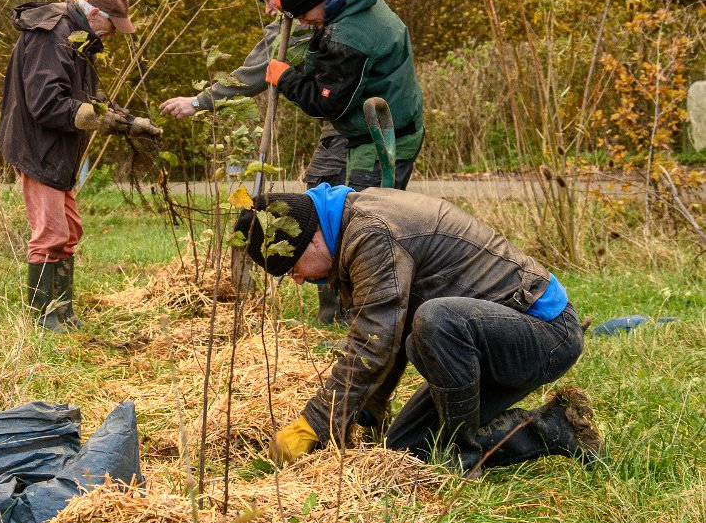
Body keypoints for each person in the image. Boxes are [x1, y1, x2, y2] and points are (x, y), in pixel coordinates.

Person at [234, 186, 603, 476]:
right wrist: (366, 412)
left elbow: (372, 342)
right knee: (407, 451)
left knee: (436, 320)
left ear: (312, 239)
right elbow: (389, 334)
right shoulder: (342, 228)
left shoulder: (371, 233)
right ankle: (557, 428)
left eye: (291, 267)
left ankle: (463, 452)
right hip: (483, 344)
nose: (297, 280)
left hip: (544, 333)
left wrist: (314, 423)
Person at [0, 0, 162, 331]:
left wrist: (129, 123)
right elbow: (46, 104)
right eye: (112, 26)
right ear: (96, 15)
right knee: (51, 233)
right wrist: (98, 119)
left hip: (58, 151)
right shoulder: (52, 35)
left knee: (69, 230)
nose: (113, 35)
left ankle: (63, 312)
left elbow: (90, 97)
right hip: (39, 147)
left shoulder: (76, 38)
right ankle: (43, 319)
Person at [160, 0, 347, 189]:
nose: (268, 10)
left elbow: (253, 74)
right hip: (349, 121)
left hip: (348, 127)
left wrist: (198, 101)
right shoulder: (312, 10)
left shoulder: (299, 22)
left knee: (325, 200)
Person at [262, 0, 424, 190]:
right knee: (323, 200)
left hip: (383, 140)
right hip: (376, 123)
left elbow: (327, 103)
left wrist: (286, 78)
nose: (304, 24)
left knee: (363, 218)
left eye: (304, 16)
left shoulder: (348, 38)